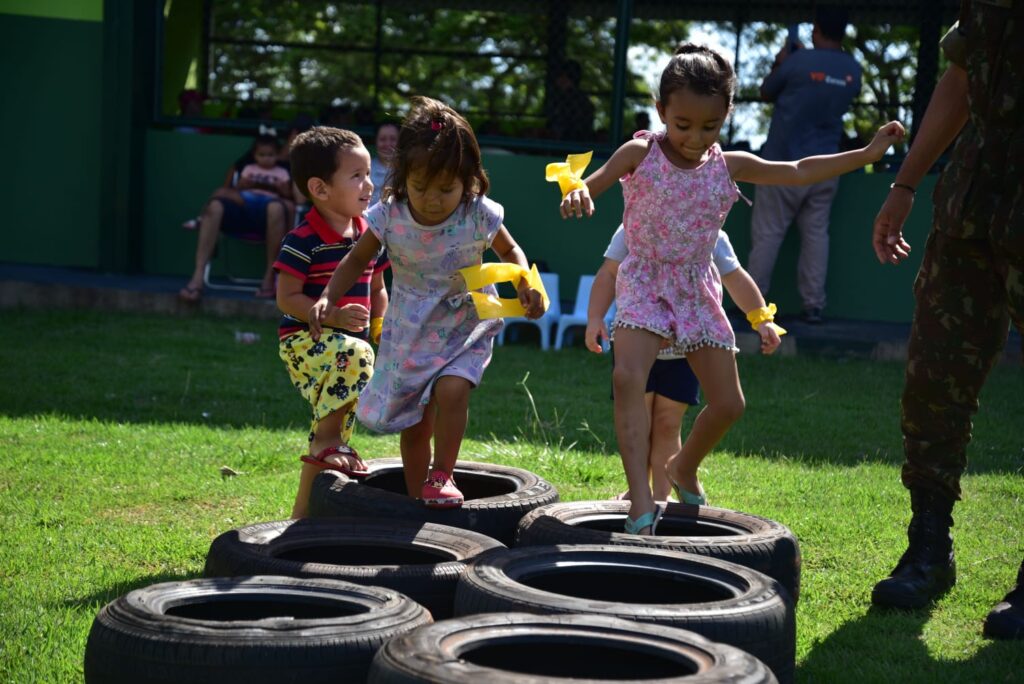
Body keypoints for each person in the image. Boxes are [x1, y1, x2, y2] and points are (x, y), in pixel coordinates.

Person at [557, 43, 903, 534]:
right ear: (661, 112)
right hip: (646, 283)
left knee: (729, 403)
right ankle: (639, 500)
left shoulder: (729, 165)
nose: (695, 138)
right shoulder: (641, 152)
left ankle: (681, 467)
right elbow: (593, 183)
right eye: (682, 125)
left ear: (727, 116)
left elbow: (799, 170)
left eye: (709, 126)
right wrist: (578, 193)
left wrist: (868, 154)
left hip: (698, 289)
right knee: (627, 379)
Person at [868, 1, 1023, 640]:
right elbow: (961, 76)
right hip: (973, 198)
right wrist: (905, 184)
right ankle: (928, 547)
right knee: (934, 376)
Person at [309, 97, 545, 509]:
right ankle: (418, 499)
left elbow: (514, 253)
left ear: (468, 180)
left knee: (453, 390)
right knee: (415, 421)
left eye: (446, 188)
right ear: (403, 178)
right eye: (420, 187)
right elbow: (356, 259)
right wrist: (329, 295)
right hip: (410, 325)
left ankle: (442, 474)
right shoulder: (389, 214)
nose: (432, 199)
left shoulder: (477, 214)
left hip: (465, 321)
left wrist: (527, 285)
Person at [587, 226, 782, 502]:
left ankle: (662, 496)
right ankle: (639, 491)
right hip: (636, 346)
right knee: (638, 420)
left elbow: (736, 278)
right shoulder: (634, 225)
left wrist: (762, 319)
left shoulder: (709, 231)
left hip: (685, 350)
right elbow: (609, 272)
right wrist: (595, 317)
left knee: (667, 424)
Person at [273, 126, 390, 519]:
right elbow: (285, 297)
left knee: (336, 431)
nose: (369, 185)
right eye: (357, 176)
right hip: (306, 342)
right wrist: (333, 315)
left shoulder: (369, 236)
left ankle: (302, 516)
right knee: (354, 359)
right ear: (320, 189)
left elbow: (378, 287)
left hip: (349, 357)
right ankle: (327, 441)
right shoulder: (302, 239)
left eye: (370, 173)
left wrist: (381, 327)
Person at [747, 7, 863, 324]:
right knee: (816, 236)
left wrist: (780, 63)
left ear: (815, 29)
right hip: (826, 166)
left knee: (768, 235)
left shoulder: (798, 61)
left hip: (781, 165)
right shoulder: (854, 70)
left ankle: (752, 307)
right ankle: (814, 306)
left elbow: (765, 91)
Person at [179, 133, 295, 301]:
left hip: (269, 214)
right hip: (243, 207)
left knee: (276, 207)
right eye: (262, 155)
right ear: (254, 155)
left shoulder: (283, 171)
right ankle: (197, 278)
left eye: (270, 155)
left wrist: (281, 189)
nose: (266, 159)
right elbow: (237, 189)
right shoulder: (248, 168)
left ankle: (269, 279)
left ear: (277, 155)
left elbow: (290, 198)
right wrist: (242, 186)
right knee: (216, 204)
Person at [545, 60, 595, 141]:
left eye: (560, 76)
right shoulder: (560, 97)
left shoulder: (576, 100)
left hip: (573, 142)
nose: (557, 80)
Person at [370, 122, 399, 206]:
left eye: (393, 139)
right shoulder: (365, 168)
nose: (388, 144)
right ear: (375, 142)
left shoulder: (407, 170)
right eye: (382, 139)